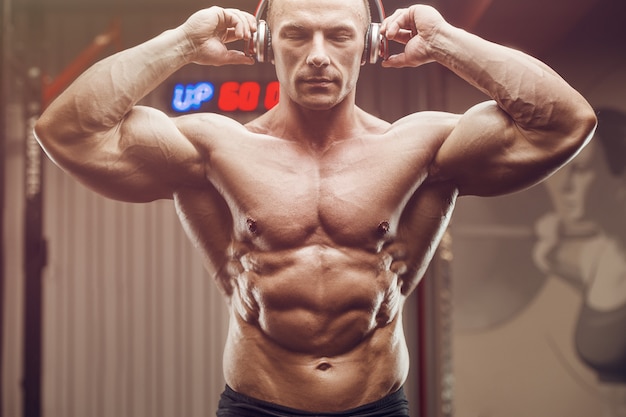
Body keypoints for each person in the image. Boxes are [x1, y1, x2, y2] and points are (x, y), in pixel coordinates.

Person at [34, 0, 597, 415]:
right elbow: (68, 132)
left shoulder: (422, 148)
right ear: (265, 43)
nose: (318, 57)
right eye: (297, 35)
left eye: (340, 36)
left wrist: (447, 41)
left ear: (371, 45)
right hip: (257, 405)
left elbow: (564, 123)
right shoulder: (214, 148)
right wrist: (181, 42)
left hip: (377, 405)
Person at [534, 108, 626, 417]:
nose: (566, 185)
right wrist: (551, 260)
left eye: (582, 170)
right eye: (568, 169)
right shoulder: (595, 257)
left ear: (620, 177)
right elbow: (607, 312)